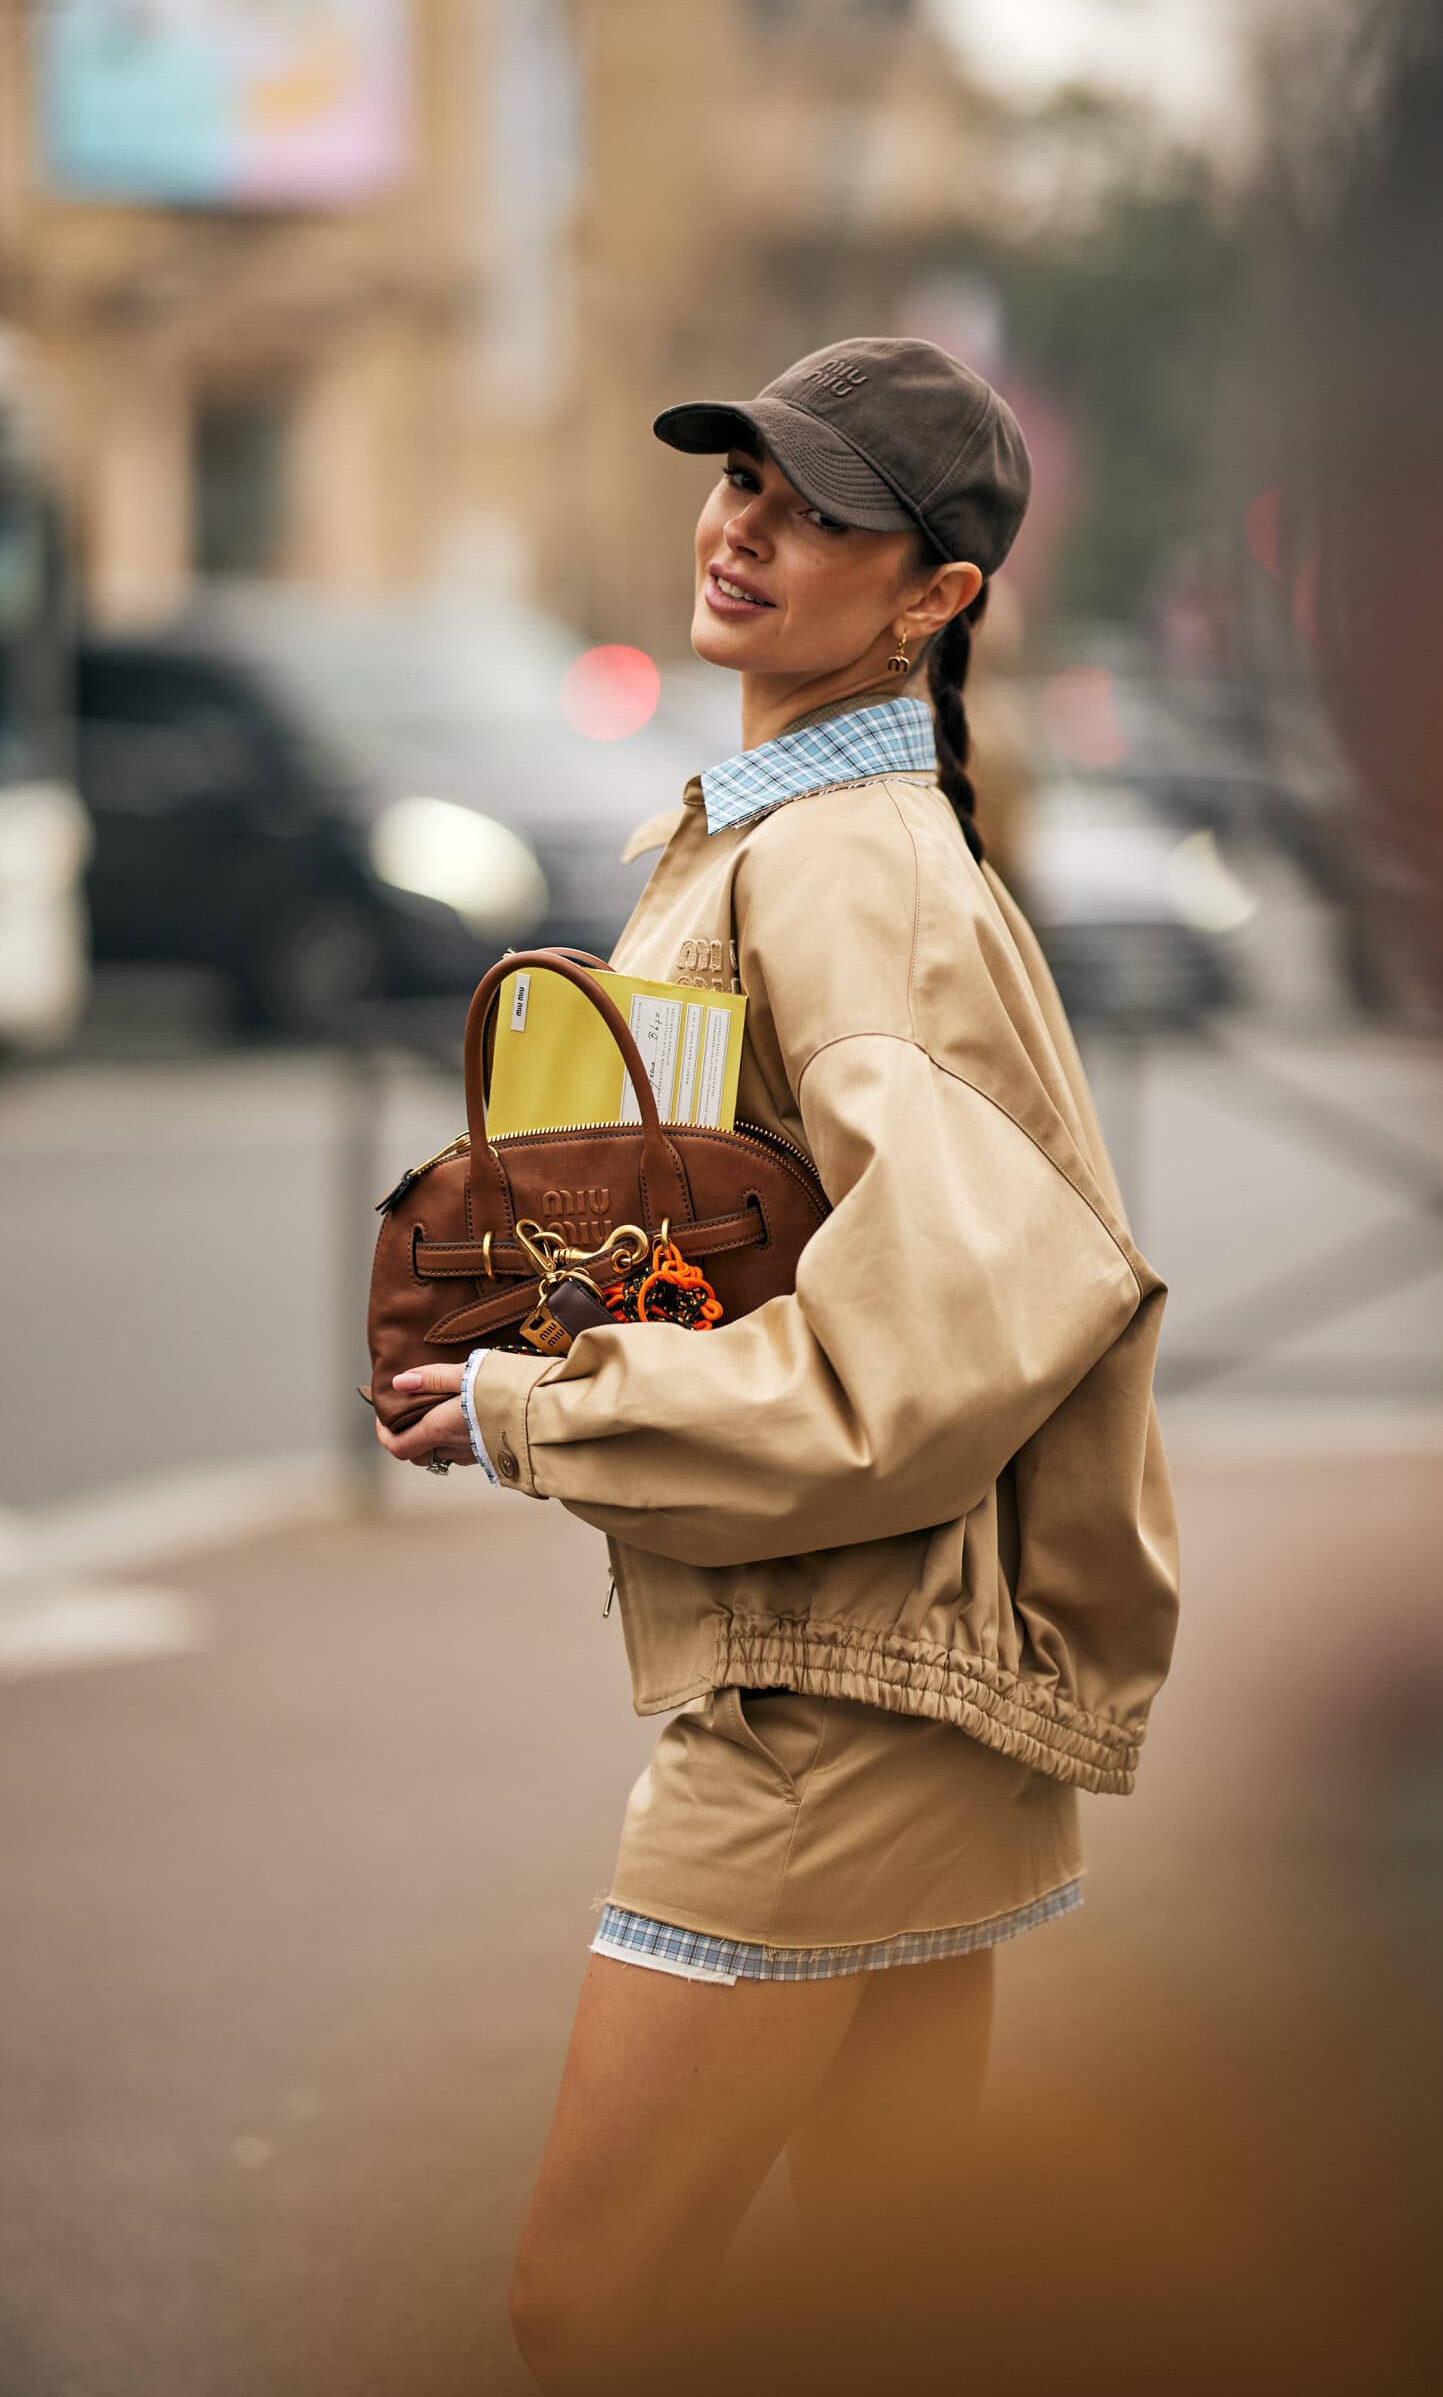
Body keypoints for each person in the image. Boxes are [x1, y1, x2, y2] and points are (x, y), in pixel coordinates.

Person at [374, 336, 1178, 2390]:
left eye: (821, 509)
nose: (746, 526)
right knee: (890, 2286)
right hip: (885, 1654)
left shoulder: (849, 865)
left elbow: (926, 1348)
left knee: (589, 2301)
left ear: (938, 593)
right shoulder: (803, 830)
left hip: (836, 1687)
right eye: (742, 478)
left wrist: (529, 1403)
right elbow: (797, 1236)